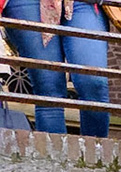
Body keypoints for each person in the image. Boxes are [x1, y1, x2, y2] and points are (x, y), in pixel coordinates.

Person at [3, 0, 109, 137]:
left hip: (83, 3)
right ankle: (54, 151)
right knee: (49, 90)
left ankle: (96, 150)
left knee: (94, 82)